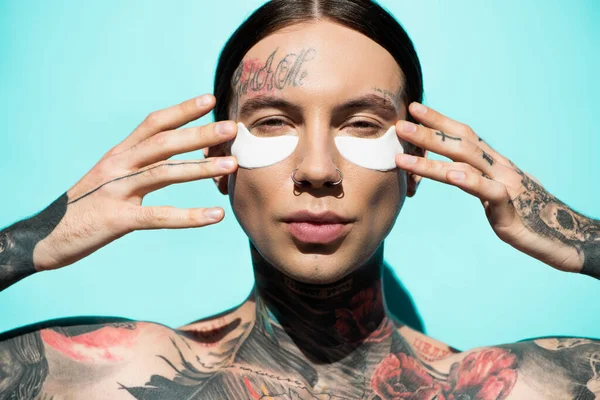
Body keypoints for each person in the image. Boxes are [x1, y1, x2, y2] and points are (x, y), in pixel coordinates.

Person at [1, 0, 599, 398]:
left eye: (363, 125)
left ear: (417, 167)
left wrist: (578, 236)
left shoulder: (512, 387)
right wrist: (31, 241)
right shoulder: (111, 375)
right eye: (271, 124)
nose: (317, 169)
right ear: (218, 162)